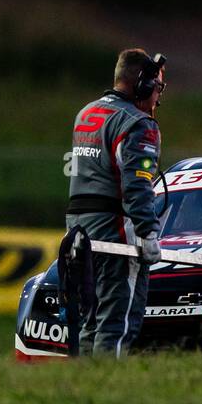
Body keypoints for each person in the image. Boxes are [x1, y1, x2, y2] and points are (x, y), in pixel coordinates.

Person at [66, 49, 167, 357]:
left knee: (90, 321)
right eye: (158, 88)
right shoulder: (138, 124)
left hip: (77, 230)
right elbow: (137, 184)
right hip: (115, 234)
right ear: (142, 84)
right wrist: (148, 231)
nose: (158, 99)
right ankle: (108, 393)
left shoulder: (86, 113)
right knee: (117, 323)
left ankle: (84, 391)